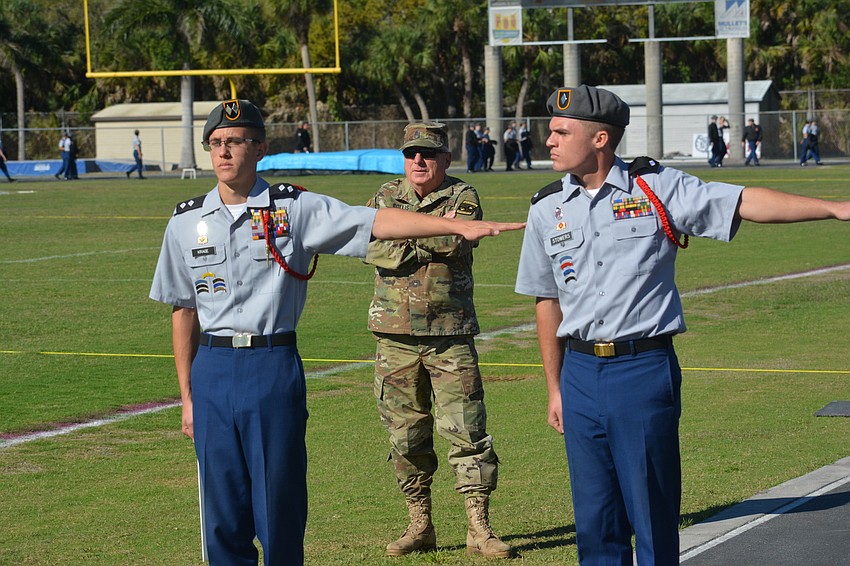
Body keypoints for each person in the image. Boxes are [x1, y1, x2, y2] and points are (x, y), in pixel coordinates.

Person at [149, 100, 524, 566]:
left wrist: (457, 226)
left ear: (260, 147)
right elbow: (183, 310)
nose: (224, 152)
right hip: (213, 368)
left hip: (271, 362)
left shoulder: (294, 207)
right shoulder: (186, 221)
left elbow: (375, 223)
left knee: (279, 502)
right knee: (220, 509)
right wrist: (187, 396)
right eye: (216, 143)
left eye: (236, 141)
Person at [514, 84, 850, 566]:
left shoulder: (655, 186)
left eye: (562, 132)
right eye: (550, 131)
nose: (549, 140)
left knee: (651, 514)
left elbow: (742, 202)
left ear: (601, 139)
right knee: (595, 522)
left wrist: (836, 208)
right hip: (581, 375)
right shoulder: (547, 206)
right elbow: (547, 300)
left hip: (641, 369)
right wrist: (555, 387)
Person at [364, 122, 512, 559]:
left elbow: (455, 240)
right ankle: (419, 524)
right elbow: (371, 247)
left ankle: (478, 527)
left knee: (468, 433)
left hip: (450, 335)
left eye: (428, 154)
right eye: (412, 154)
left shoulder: (464, 196)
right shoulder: (385, 197)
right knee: (406, 436)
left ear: (446, 159)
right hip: (394, 337)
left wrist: (405, 235)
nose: (419, 162)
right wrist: (432, 231)